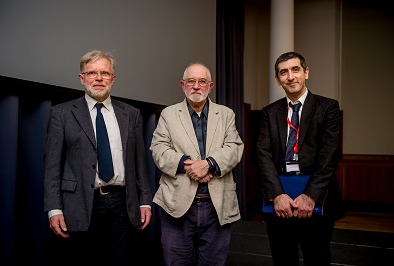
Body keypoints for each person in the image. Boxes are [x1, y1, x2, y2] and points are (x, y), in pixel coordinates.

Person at [43, 50, 153, 265]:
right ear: (82, 78)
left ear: (113, 78)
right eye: (92, 73)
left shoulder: (131, 113)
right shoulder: (62, 113)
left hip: (123, 202)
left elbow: (140, 162)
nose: (99, 78)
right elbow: (52, 166)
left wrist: (145, 202)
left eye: (105, 72)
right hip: (79, 204)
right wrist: (53, 209)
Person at [256, 51, 346, 265]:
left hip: (317, 196)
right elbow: (262, 154)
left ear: (306, 72)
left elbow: (329, 155)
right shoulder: (269, 112)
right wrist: (277, 196)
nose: (290, 76)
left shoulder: (328, 108)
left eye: (295, 70)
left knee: (317, 258)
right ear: (278, 80)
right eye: (283, 72)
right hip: (281, 199)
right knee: (282, 259)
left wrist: (310, 196)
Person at [150, 62, 244, 266]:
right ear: (182, 85)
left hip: (215, 206)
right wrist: (189, 166)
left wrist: (209, 164)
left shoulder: (226, 114)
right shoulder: (168, 114)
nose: (196, 86)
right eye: (191, 81)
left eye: (202, 81)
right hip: (176, 206)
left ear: (210, 86)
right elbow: (158, 150)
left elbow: (234, 147)